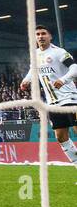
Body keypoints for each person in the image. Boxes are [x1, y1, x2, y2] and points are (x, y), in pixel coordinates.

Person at [20, 26, 77, 168]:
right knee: (61, 137)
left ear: (50, 36)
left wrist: (63, 80)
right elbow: (33, 70)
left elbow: (74, 68)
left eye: (43, 33)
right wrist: (26, 80)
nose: (40, 36)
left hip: (70, 98)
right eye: (37, 34)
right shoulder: (36, 54)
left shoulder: (59, 52)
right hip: (52, 103)